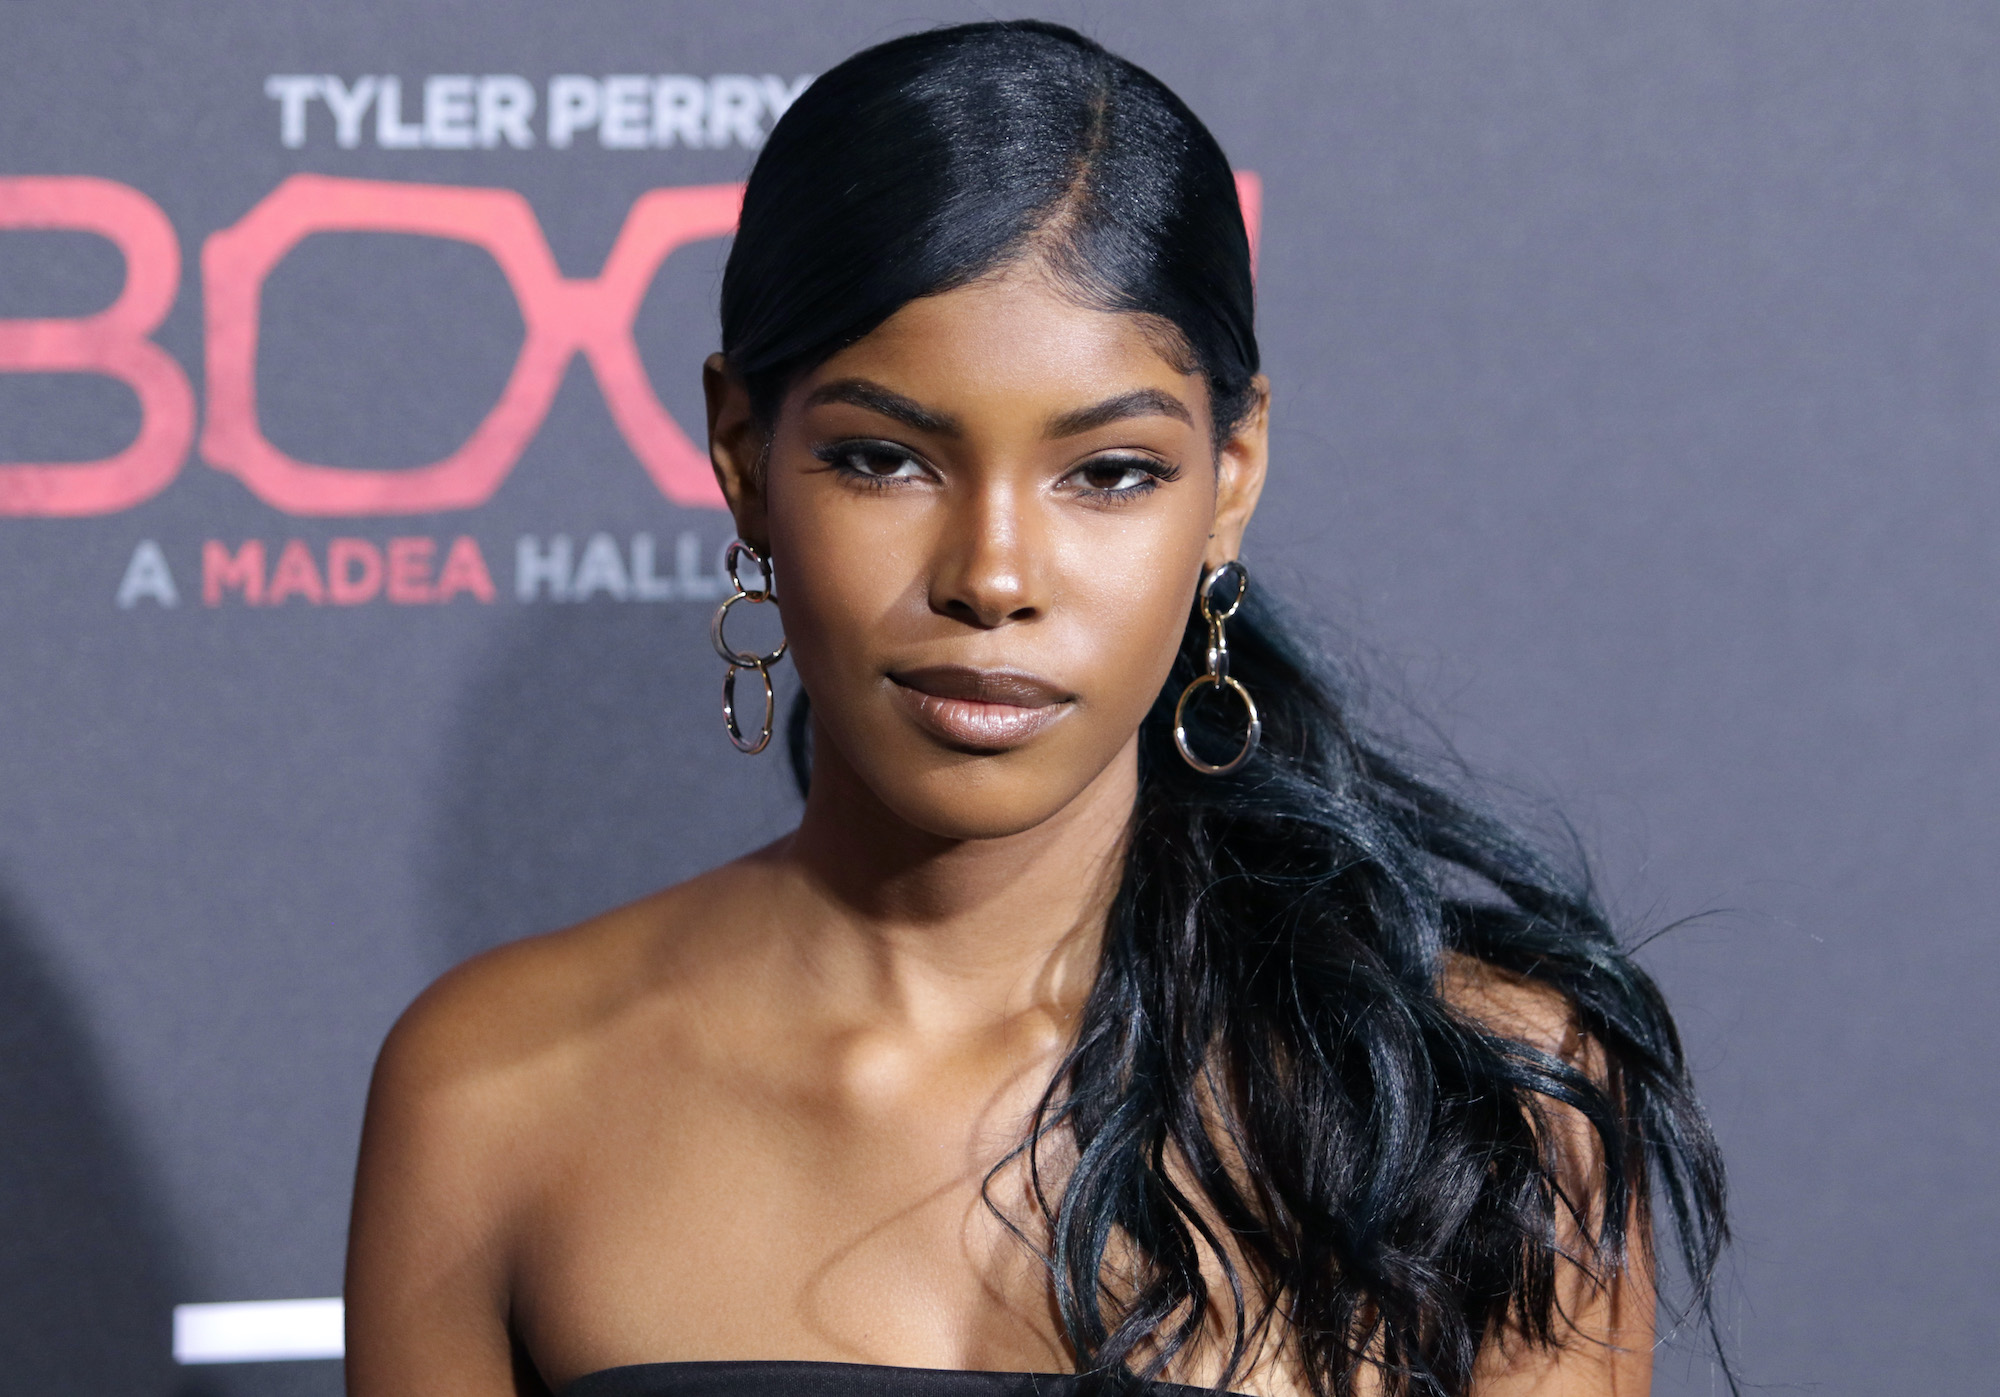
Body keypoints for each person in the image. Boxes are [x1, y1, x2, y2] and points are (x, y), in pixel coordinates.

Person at [344, 20, 1726, 1397]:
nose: (992, 575)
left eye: (1110, 472)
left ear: (1229, 476)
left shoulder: (1485, 1103)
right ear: (743, 456)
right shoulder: (495, 1091)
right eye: (883, 458)